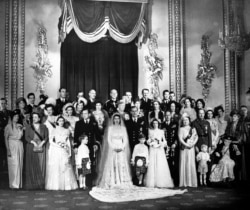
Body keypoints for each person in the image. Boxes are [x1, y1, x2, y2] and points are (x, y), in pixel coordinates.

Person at [96, 113, 133, 189]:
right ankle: (113, 181)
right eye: (115, 118)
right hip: (113, 148)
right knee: (113, 164)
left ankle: (122, 181)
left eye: (118, 118)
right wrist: (114, 147)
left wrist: (122, 147)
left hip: (121, 147)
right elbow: (109, 139)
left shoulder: (123, 128)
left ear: (120, 120)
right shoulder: (110, 128)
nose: (116, 120)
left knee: (120, 163)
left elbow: (125, 139)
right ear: (113, 120)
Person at [45, 116, 78, 190]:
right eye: (59, 121)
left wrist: (68, 150)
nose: (61, 122)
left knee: (65, 166)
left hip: (64, 149)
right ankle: (56, 185)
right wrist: (58, 145)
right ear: (57, 122)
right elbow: (51, 141)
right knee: (56, 166)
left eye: (62, 121)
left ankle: (66, 185)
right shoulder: (53, 130)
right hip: (56, 149)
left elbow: (68, 142)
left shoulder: (67, 130)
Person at [74, 108, 101, 188]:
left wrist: (96, 144)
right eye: (83, 113)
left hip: (90, 146)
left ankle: (89, 182)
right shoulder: (78, 123)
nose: (84, 115)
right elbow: (76, 136)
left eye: (86, 113)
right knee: (81, 164)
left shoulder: (94, 123)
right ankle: (81, 183)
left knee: (90, 164)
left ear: (89, 114)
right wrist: (75, 146)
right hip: (81, 147)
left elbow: (98, 136)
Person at [145, 119, 174, 188]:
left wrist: (160, 144)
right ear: (152, 124)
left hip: (159, 149)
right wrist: (151, 143)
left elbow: (164, 141)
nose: (155, 124)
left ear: (158, 124)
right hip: (152, 149)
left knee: (160, 164)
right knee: (152, 164)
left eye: (156, 123)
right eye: (154, 123)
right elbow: (148, 140)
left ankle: (161, 181)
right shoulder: (150, 131)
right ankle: (152, 182)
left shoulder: (161, 131)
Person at [25, 112, 48, 189]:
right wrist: (33, 142)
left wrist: (42, 143)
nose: (34, 118)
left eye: (36, 117)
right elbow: (26, 137)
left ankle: (41, 184)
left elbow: (46, 137)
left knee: (41, 164)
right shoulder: (28, 127)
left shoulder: (44, 126)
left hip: (41, 147)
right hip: (31, 147)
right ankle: (33, 184)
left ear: (39, 118)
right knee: (32, 165)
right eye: (33, 117)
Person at [4, 109, 24, 189]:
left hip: (19, 145)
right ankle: (13, 184)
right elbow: (6, 138)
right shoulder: (8, 126)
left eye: (18, 116)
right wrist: (8, 149)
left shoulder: (20, 125)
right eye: (15, 116)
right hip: (12, 145)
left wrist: (21, 129)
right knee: (13, 164)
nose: (17, 118)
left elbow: (21, 136)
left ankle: (19, 184)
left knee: (19, 164)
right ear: (12, 117)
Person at [178, 114, 198, 187]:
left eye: (186, 120)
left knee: (190, 163)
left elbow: (196, 137)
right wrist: (186, 145)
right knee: (184, 162)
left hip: (191, 148)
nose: (185, 121)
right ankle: (184, 182)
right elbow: (180, 138)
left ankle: (191, 182)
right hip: (184, 148)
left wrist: (193, 144)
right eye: (184, 120)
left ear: (189, 121)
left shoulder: (192, 129)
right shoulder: (181, 129)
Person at [162, 111, 179, 186]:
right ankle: (166, 181)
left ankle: (175, 181)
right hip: (165, 147)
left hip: (173, 146)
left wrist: (175, 144)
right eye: (166, 115)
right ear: (164, 116)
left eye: (169, 115)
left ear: (171, 116)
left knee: (174, 164)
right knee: (166, 164)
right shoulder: (162, 125)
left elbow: (177, 136)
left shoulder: (175, 124)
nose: (167, 116)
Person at [0, 98, 11, 172]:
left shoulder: (10, 113)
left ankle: (8, 168)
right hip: (1, 136)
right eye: (2, 103)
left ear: (7, 104)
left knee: (9, 151)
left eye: (4, 103)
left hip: (9, 136)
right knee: (1, 152)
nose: (3, 105)